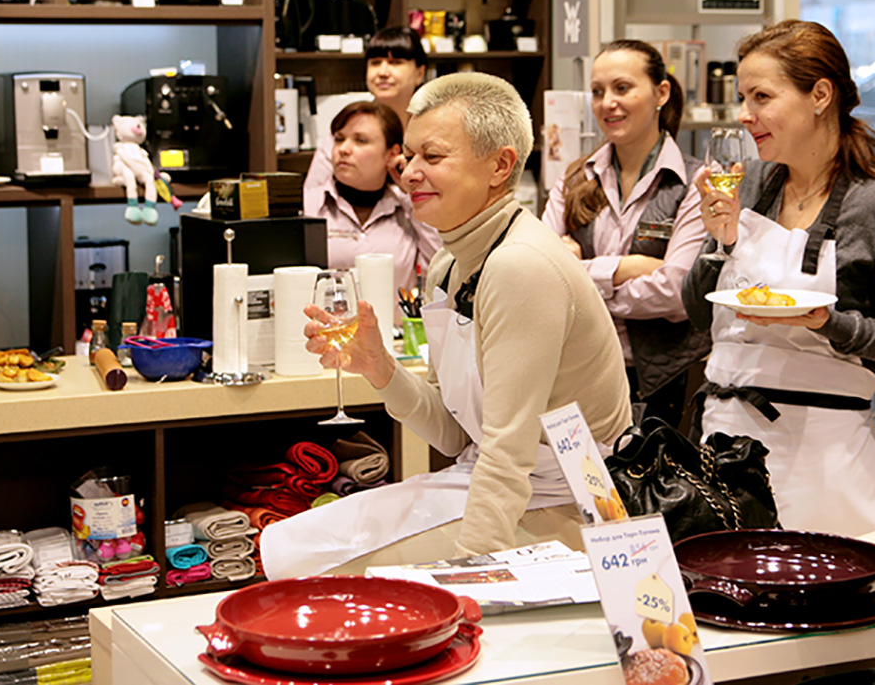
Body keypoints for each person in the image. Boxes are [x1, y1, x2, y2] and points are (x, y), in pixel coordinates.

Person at [261, 72, 632, 578]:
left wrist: (474, 581)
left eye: (432, 158)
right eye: (409, 156)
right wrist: (381, 369)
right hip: (488, 481)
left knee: (319, 570)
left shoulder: (520, 264)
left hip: (570, 509)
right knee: (284, 543)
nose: (410, 172)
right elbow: (457, 437)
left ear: (500, 165)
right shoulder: (449, 264)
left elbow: (506, 455)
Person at [681, 20, 875, 537]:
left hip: (825, 464)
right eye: (742, 97)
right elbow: (696, 313)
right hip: (723, 448)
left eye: (761, 96)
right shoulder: (749, 184)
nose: (743, 114)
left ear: (820, 95)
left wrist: (829, 322)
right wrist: (721, 244)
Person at [543, 40, 710, 429]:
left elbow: (677, 293)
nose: (607, 103)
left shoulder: (695, 182)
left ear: (661, 93)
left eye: (622, 88)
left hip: (666, 385)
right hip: (581, 378)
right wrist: (626, 268)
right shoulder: (574, 177)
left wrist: (581, 272)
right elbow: (543, 278)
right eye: (598, 91)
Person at [302, 100, 439, 294]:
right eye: (339, 139)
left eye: (361, 141)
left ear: (392, 154)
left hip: (393, 324)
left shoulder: (407, 210)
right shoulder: (309, 204)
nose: (344, 149)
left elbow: (440, 264)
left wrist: (412, 195)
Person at [305, 26, 428, 190]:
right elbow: (314, 188)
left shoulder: (433, 127)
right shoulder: (349, 121)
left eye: (395, 63)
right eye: (375, 63)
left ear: (420, 73)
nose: (383, 72)